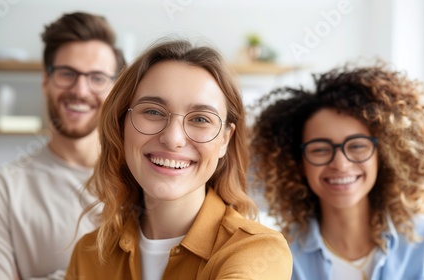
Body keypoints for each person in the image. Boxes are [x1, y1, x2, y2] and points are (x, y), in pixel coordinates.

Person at [65, 38, 293, 280]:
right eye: (153, 111)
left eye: (201, 119)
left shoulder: (257, 251)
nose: (173, 138)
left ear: (225, 140)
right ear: (121, 126)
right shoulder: (89, 253)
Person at [0, 12, 126, 280]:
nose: (80, 90)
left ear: (116, 89)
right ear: (46, 81)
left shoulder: (146, 179)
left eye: (97, 78)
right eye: (67, 73)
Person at [250, 63, 424, 280]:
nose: (340, 164)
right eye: (320, 149)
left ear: (381, 154)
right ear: (299, 164)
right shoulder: (280, 256)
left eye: (357, 146)